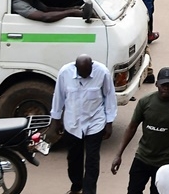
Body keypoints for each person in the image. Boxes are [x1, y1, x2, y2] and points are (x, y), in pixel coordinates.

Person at [110, 67, 169, 194]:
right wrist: (118, 154)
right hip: (142, 157)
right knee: (133, 190)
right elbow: (132, 127)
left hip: (165, 163)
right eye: (163, 84)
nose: (166, 87)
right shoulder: (145, 102)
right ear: (156, 84)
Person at [50, 56, 118, 194]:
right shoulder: (65, 73)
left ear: (92, 66)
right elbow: (59, 97)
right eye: (82, 74)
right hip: (72, 123)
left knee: (92, 160)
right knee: (74, 158)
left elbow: (110, 96)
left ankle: (89, 190)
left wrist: (109, 122)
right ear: (76, 68)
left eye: (87, 73)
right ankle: (76, 186)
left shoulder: (102, 73)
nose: (85, 77)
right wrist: (56, 120)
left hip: (95, 122)